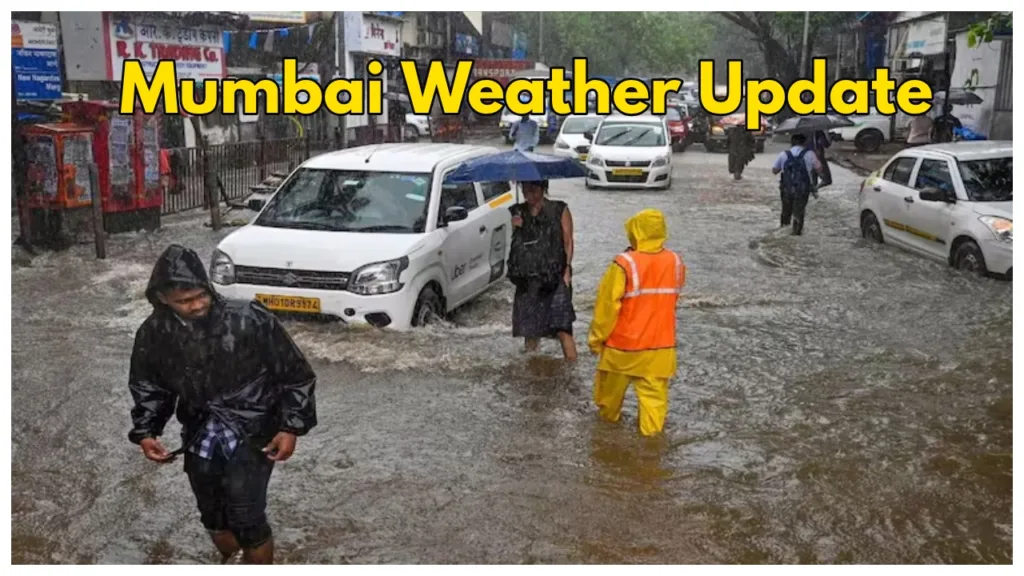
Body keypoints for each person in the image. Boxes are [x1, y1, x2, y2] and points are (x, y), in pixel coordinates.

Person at [128, 244, 317, 564]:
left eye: (201, 295)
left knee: (248, 518)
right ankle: (233, 560)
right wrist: (146, 431)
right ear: (163, 299)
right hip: (200, 432)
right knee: (212, 516)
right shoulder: (154, 332)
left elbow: (296, 375)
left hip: (252, 430)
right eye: (184, 301)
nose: (197, 304)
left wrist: (290, 427)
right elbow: (150, 386)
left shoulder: (250, 318)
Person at [588, 209, 686, 437]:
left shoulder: (624, 263)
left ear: (634, 230)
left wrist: (596, 339)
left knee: (607, 409)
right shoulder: (676, 261)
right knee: (654, 413)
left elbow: (606, 307)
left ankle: (606, 449)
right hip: (660, 349)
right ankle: (651, 460)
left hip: (622, 349)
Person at [508, 180, 577, 361]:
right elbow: (517, 247)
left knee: (563, 327)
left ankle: (571, 369)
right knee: (530, 331)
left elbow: (568, 240)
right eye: (525, 190)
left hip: (554, 276)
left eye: (533, 190)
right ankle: (533, 366)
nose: (528, 194)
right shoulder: (518, 211)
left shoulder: (559, 209)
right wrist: (516, 227)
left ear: (543, 189)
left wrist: (567, 269)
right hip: (528, 278)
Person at [771, 133, 822, 236]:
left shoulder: (784, 154)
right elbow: (820, 170)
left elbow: (774, 170)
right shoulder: (810, 154)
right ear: (804, 143)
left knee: (786, 211)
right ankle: (796, 232)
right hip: (802, 189)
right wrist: (817, 157)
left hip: (786, 188)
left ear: (792, 142)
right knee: (799, 212)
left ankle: (783, 232)